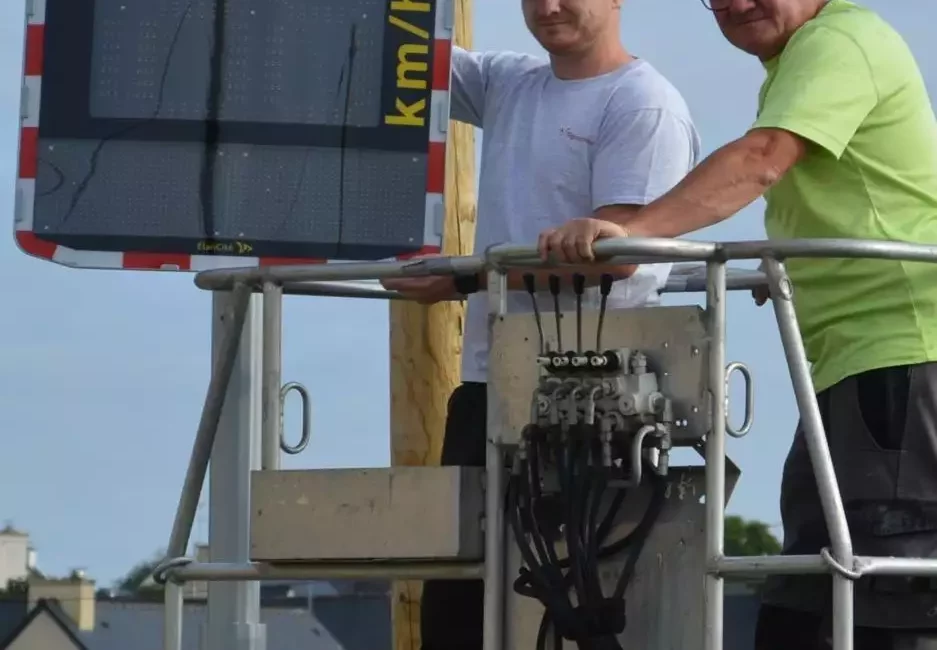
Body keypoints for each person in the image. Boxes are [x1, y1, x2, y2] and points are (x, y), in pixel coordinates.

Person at [538, 0, 937, 648]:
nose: (733, 2)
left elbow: (761, 159)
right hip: (852, 368)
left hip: (900, 357)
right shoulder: (797, 61)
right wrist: (788, 270)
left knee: (889, 601)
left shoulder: (841, 40)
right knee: (807, 598)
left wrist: (632, 231)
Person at [381, 0, 700, 647]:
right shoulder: (509, 82)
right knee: (457, 608)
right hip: (487, 383)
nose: (547, 6)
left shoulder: (643, 104)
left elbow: (613, 255)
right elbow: (398, 49)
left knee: (573, 606)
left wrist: (469, 277)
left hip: (591, 399)